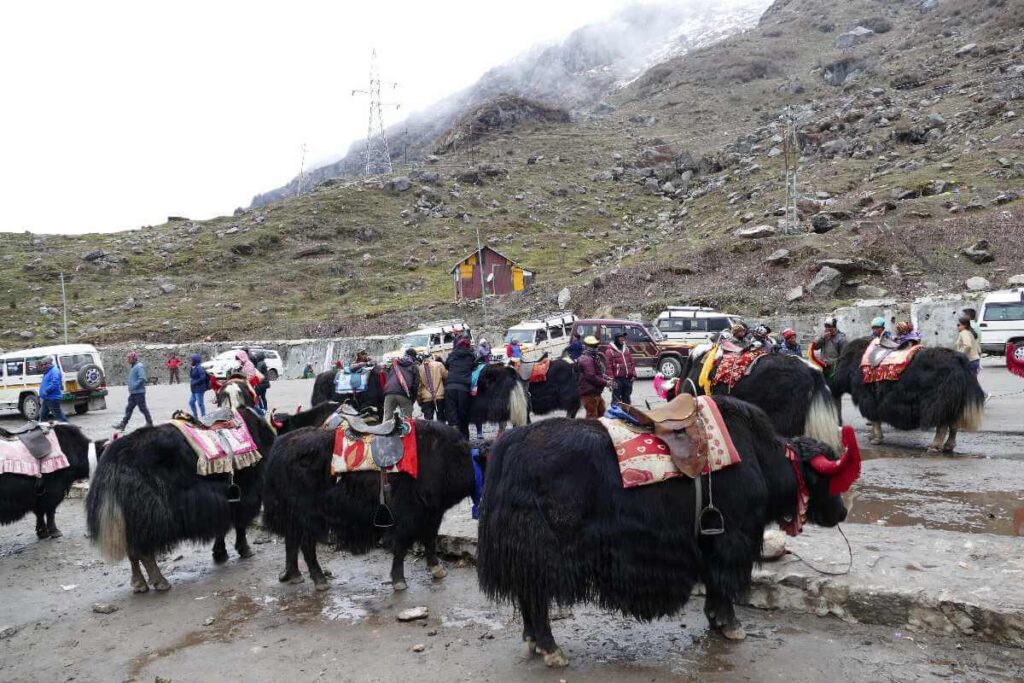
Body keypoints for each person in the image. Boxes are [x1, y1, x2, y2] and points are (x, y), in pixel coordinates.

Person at [445, 336, 476, 439]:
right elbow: (473, 367)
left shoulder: (452, 355)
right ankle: (465, 440)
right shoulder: (471, 356)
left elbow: (447, 365)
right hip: (464, 388)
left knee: (452, 415)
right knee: (463, 416)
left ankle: (453, 440)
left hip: (450, 387)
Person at [113, 351, 153, 431]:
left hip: (139, 393)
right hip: (134, 393)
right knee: (129, 408)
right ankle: (123, 424)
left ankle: (150, 423)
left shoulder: (139, 366)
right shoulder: (134, 367)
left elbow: (142, 379)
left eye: (129, 358)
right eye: (128, 358)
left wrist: (134, 386)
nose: (128, 359)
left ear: (134, 358)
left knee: (143, 408)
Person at [578, 336, 611, 419]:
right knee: (592, 417)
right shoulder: (586, 359)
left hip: (595, 392)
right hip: (589, 393)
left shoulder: (593, 357)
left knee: (602, 413)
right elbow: (591, 376)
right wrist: (605, 382)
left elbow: (598, 372)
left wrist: (606, 377)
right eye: (594, 346)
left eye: (596, 345)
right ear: (587, 346)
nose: (596, 348)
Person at [383, 348, 420, 421]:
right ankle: (407, 432)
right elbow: (415, 385)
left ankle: (387, 431)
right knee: (407, 420)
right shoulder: (413, 367)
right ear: (414, 357)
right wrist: (412, 399)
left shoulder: (395, 364)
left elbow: (388, 377)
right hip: (404, 393)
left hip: (389, 393)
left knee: (387, 419)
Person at [605, 332, 637, 405]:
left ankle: (627, 414)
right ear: (616, 339)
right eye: (621, 337)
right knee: (616, 401)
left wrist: (634, 375)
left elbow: (632, 363)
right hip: (617, 380)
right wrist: (611, 380)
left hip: (628, 379)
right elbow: (609, 366)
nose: (623, 339)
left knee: (627, 399)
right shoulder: (609, 351)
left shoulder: (627, 349)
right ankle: (615, 415)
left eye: (623, 338)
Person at [417, 353, 448, 421]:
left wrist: (419, 399)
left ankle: (430, 432)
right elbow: (446, 376)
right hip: (439, 395)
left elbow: (419, 386)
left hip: (426, 397)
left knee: (428, 421)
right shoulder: (439, 365)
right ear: (431, 357)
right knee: (441, 418)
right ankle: (441, 431)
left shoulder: (419, 368)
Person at [38, 356, 69, 423]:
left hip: (52, 397)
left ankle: (68, 428)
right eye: (42, 364)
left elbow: (55, 383)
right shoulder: (48, 371)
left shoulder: (54, 371)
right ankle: (43, 428)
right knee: (43, 414)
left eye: (44, 364)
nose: (43, 366)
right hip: (47, 398)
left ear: (49, 363)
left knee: (58, 415)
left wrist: (47, 391)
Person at [188, 353, 209, 418]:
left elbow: (203, 377)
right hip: (194, 389)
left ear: (195, 360)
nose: (190, 361)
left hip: (199, 389)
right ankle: (195, 415)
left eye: (191, 360)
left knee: (200, 403)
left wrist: (195, 382)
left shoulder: (199, 368)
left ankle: (203, 416)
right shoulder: (193, 367)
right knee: (191, 402)